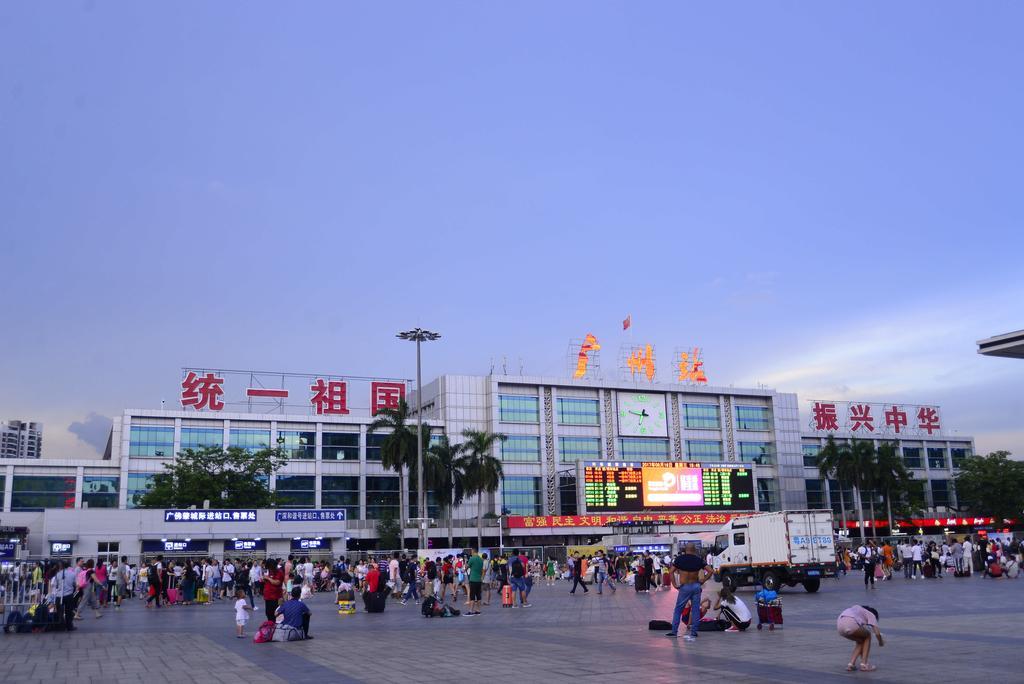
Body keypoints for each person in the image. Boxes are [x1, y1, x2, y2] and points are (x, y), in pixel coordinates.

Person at [666, 544, 712, 642]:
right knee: (695, 610)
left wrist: (674, 584)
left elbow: (671, 571)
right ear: (694, 550)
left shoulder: (679, 559)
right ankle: (694, 632)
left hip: (685, 587)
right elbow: (711, 571)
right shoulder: (698, 560)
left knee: (678, 609)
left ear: (685, 550)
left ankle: (674, 631)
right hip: (696, 586)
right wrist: (703, 581)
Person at [837, 605, 884, 672]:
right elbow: (877, 633)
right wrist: (881, 642)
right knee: (868, 636)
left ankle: (851, 665)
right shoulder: (871, 614)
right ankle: (864, 665)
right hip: (851, 624)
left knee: (860, 641)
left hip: (840, 627)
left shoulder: (856, 609)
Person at [465, 549, 484, 616]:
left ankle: (470, 611)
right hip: (479, 580)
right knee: (478, 595)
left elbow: (466, 568)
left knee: (472, 596)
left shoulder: (472, 559)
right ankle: (478, 610)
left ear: (473, 551)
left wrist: (465, 562)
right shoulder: (481, 559)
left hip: (473, 579)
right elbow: (482, 570)